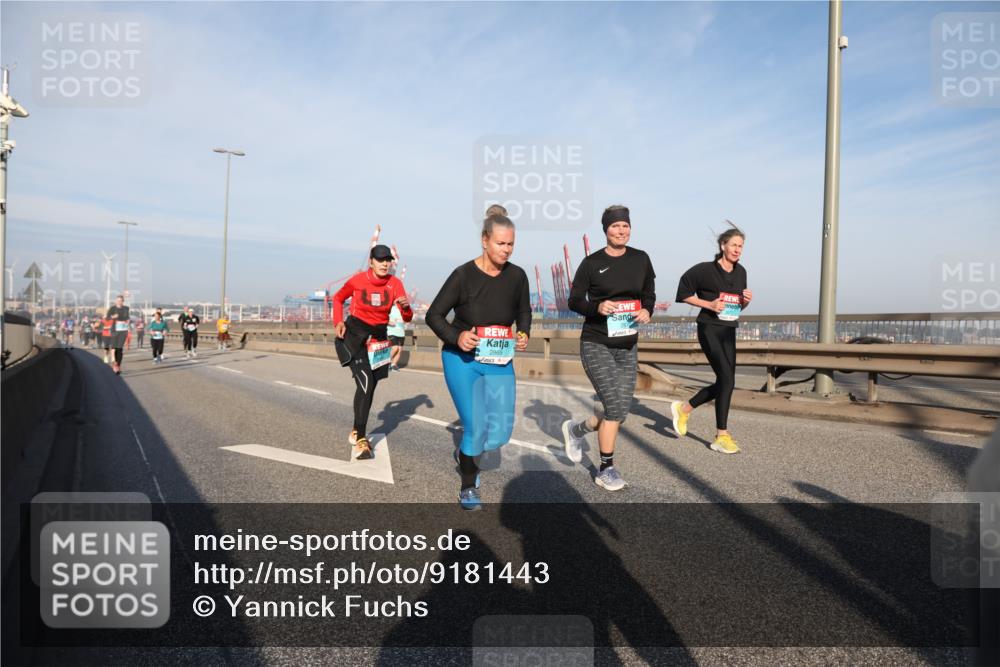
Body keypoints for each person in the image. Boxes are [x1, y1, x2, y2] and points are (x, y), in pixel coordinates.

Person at [426, 214, 531, 510]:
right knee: (476, 427)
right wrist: (456, 336)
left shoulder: (517, 276)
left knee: (499, 432)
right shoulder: (463, 275)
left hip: (499, 361)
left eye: (511, 244)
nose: (506, 250)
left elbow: (524, 311)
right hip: (462, 360)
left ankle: (465, 455)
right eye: (500, 243)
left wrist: (523, 332)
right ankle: (468, 485)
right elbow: (433, 315)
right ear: (485, 241)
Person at [562, 205, 655, 491]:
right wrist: (597, 306)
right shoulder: (592, 263)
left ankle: (576, 430)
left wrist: (647, 311)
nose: (621, 230)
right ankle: (606, 468)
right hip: (596, 342)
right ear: (606, 230)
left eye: (625, 226)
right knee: (614, 407)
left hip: (627, 345)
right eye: (615, 226)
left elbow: (648, 294)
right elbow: (574, 300)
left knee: (619, 410)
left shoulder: (641, 259)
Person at [670, 223, 752, 454]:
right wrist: (709, 304)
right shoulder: (704, 270)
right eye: (734, 245)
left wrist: (746, 301)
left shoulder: (741, 272)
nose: (737, 249)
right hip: (709, 328)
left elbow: (737, 307)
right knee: (726, 379)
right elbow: (683, 293)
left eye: (741, 246)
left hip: (729, 330)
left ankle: (684, 408)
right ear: (723, 245)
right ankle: (721, 436)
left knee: (727, 381)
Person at [333, 245, 413, 460]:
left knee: (368, 387)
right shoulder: (358, 280)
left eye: (388, 260)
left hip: (378, 340)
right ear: (371, 261)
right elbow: (338, 298)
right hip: (354, 336)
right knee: (366, 382)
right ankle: (361, 438)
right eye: (380, 260)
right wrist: (338, 321)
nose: (385, 263)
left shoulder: (395, 284)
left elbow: (407, 318)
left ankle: (354, 429)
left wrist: (405, 308)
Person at [105, 295, 130, 375]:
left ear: (123, 301)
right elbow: (107, 318)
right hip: (115, 330)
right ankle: (115, 363)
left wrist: (128, 320)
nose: (119, 302)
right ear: (116, 301)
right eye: (118, 300)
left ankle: (117, 365)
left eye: (121, 300)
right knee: (115, 347)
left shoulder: (126, 308)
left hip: (123, 330)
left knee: (120, 348)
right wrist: (113, 316)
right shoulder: (112, 308)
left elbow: (127, 317)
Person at [387, 303, 406, 371]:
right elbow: (382, 317)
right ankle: (386, 363)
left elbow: (406, 319)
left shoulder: (403, 310)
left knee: (399, 350)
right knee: (395, 348)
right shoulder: (390, 308)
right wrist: (389, 322)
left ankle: (393, 365)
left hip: (401, 332)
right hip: (392, 331)